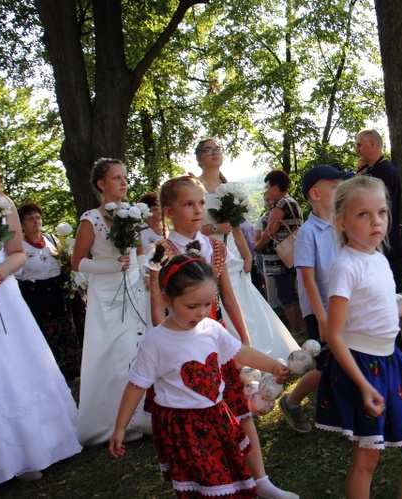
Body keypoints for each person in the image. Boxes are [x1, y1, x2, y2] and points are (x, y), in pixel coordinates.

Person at [149, 176, 298, 499]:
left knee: (241, 411)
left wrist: (244, 342)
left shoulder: (215, 246)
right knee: (201, 417)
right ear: (169, 211)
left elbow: (229, 297)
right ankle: (208, 482)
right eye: (188, 204)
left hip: (218, 338)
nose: (197, 210)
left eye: (201, 203)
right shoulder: (162, 251)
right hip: (184, 348)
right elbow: (157, 309)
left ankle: (262, 481)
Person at [0, 136, 81, 497]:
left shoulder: (3, 203)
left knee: (14, 367)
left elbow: (16, 253)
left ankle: (29, 453)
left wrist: (3, 268)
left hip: (2, 292)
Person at [109, 249, 292, 499]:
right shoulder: (156, 342)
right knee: (208, 480)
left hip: (217, 415)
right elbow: (136, 386)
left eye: (208, 304)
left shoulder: (211, 329)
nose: (201, 312)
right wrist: (120, 427)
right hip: (182, 427)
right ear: (166, 299)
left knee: (229, 471)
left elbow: (240, 352)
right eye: (192, 306)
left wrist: (272, 366)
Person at [315, 175, 402, 499]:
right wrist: (362, 384)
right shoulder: (345, 267)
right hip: (362, 365)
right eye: (363, 214)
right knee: (367, 458)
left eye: (382, 212)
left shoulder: (379, 259)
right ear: (342, 222)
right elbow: (335, 334)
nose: (376, 222)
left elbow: (382, 314)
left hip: (391, 360)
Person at [72, 158, 151, 445]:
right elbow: (77, 262)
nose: (123, 182)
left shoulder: (133, 214)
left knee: (137, 346)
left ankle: (145, 414)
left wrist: (143, 271)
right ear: (101, 184)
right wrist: (111, 267)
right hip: (106, 291)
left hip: (134, 286)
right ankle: (115, 420)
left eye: (125, 177)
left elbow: (141, 251)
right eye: (116, 178)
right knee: (114, 352)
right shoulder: (90, 219)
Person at [196, 139, 299, 360]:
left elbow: (235, 229)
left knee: (246, 306)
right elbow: (191, 228)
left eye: (217, 149)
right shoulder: (196, 188)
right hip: (206, 254)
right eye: (208, 150)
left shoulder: (229, 189)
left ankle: (255, 349)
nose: (215, 153)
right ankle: (229, 352)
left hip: (232, 254)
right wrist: (215, 227)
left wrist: (247, 256)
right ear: (199, 158)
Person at [278, 165, 352, 434]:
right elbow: (307, 279)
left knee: (342, 363)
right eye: (334, 187)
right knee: (330, 366)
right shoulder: (308, 233)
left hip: (344, 305)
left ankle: (340, 410)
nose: (340, 190)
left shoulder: (342, 224)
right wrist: (321, 317)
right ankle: (293, 402)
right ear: (315, 193)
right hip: (321, 310)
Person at [16, 202, 81, 379]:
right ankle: (52, 371)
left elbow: (64, 263)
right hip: (37, 294)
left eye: (37, 217)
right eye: (30, 219)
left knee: (67, 328)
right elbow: (16, 275)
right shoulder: (19, 246)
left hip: (58, 292)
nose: (35, 222)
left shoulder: (51, 239)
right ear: (21, 224)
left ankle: (73, 368)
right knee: (46, 332)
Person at [253, 170, 305, 335]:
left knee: (284, 294)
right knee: (292, 292)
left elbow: (271, 228)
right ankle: (302, 328)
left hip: (281, 258)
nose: (266, 191)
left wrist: (258, 246)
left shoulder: (281, 203)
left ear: (275, 188)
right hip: (292, 256)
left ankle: (296, 330)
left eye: (267, 187)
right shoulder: (292, 202)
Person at [355, 129, 401, 263]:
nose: (357, 150)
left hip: (383, 242)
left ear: (373, 143)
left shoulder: (385, 171)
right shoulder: (371, 170)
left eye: (359, 145)